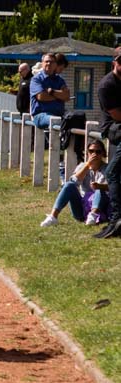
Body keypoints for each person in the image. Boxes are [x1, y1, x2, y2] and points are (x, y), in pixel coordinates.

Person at [40, 140, 109, 227]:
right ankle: (53, 217)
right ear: (87, 153)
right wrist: (87, 165)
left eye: (98, 152)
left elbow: (113, 188)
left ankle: (93, 215)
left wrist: (100, 186)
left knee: (99, 190)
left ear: (103, 153)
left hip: (101, 208)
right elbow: (73, 182)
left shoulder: (108, 169)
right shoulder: (82, 166)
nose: (94, 154)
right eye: (91, 151)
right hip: (82, 209)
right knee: (69, 185)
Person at [96, 46, 121, 239]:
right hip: (114, 128)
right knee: (112, 172)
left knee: (114, 172)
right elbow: (117, 115)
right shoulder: (107, 85)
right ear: (114, 62)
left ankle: (117, 219)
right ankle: (116, 219)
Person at [30, 52, 70, 130]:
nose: (49, 63)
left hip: (59, 114)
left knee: (77, 118)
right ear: (42, 63)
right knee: (55, 120)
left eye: (51, 62)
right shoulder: (37, 79)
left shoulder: (60, 80)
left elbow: (67, 96)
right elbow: (41, 96)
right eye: (46, 61)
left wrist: (51, 92)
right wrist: (59, 96)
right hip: (41, 115)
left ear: (55, 65)